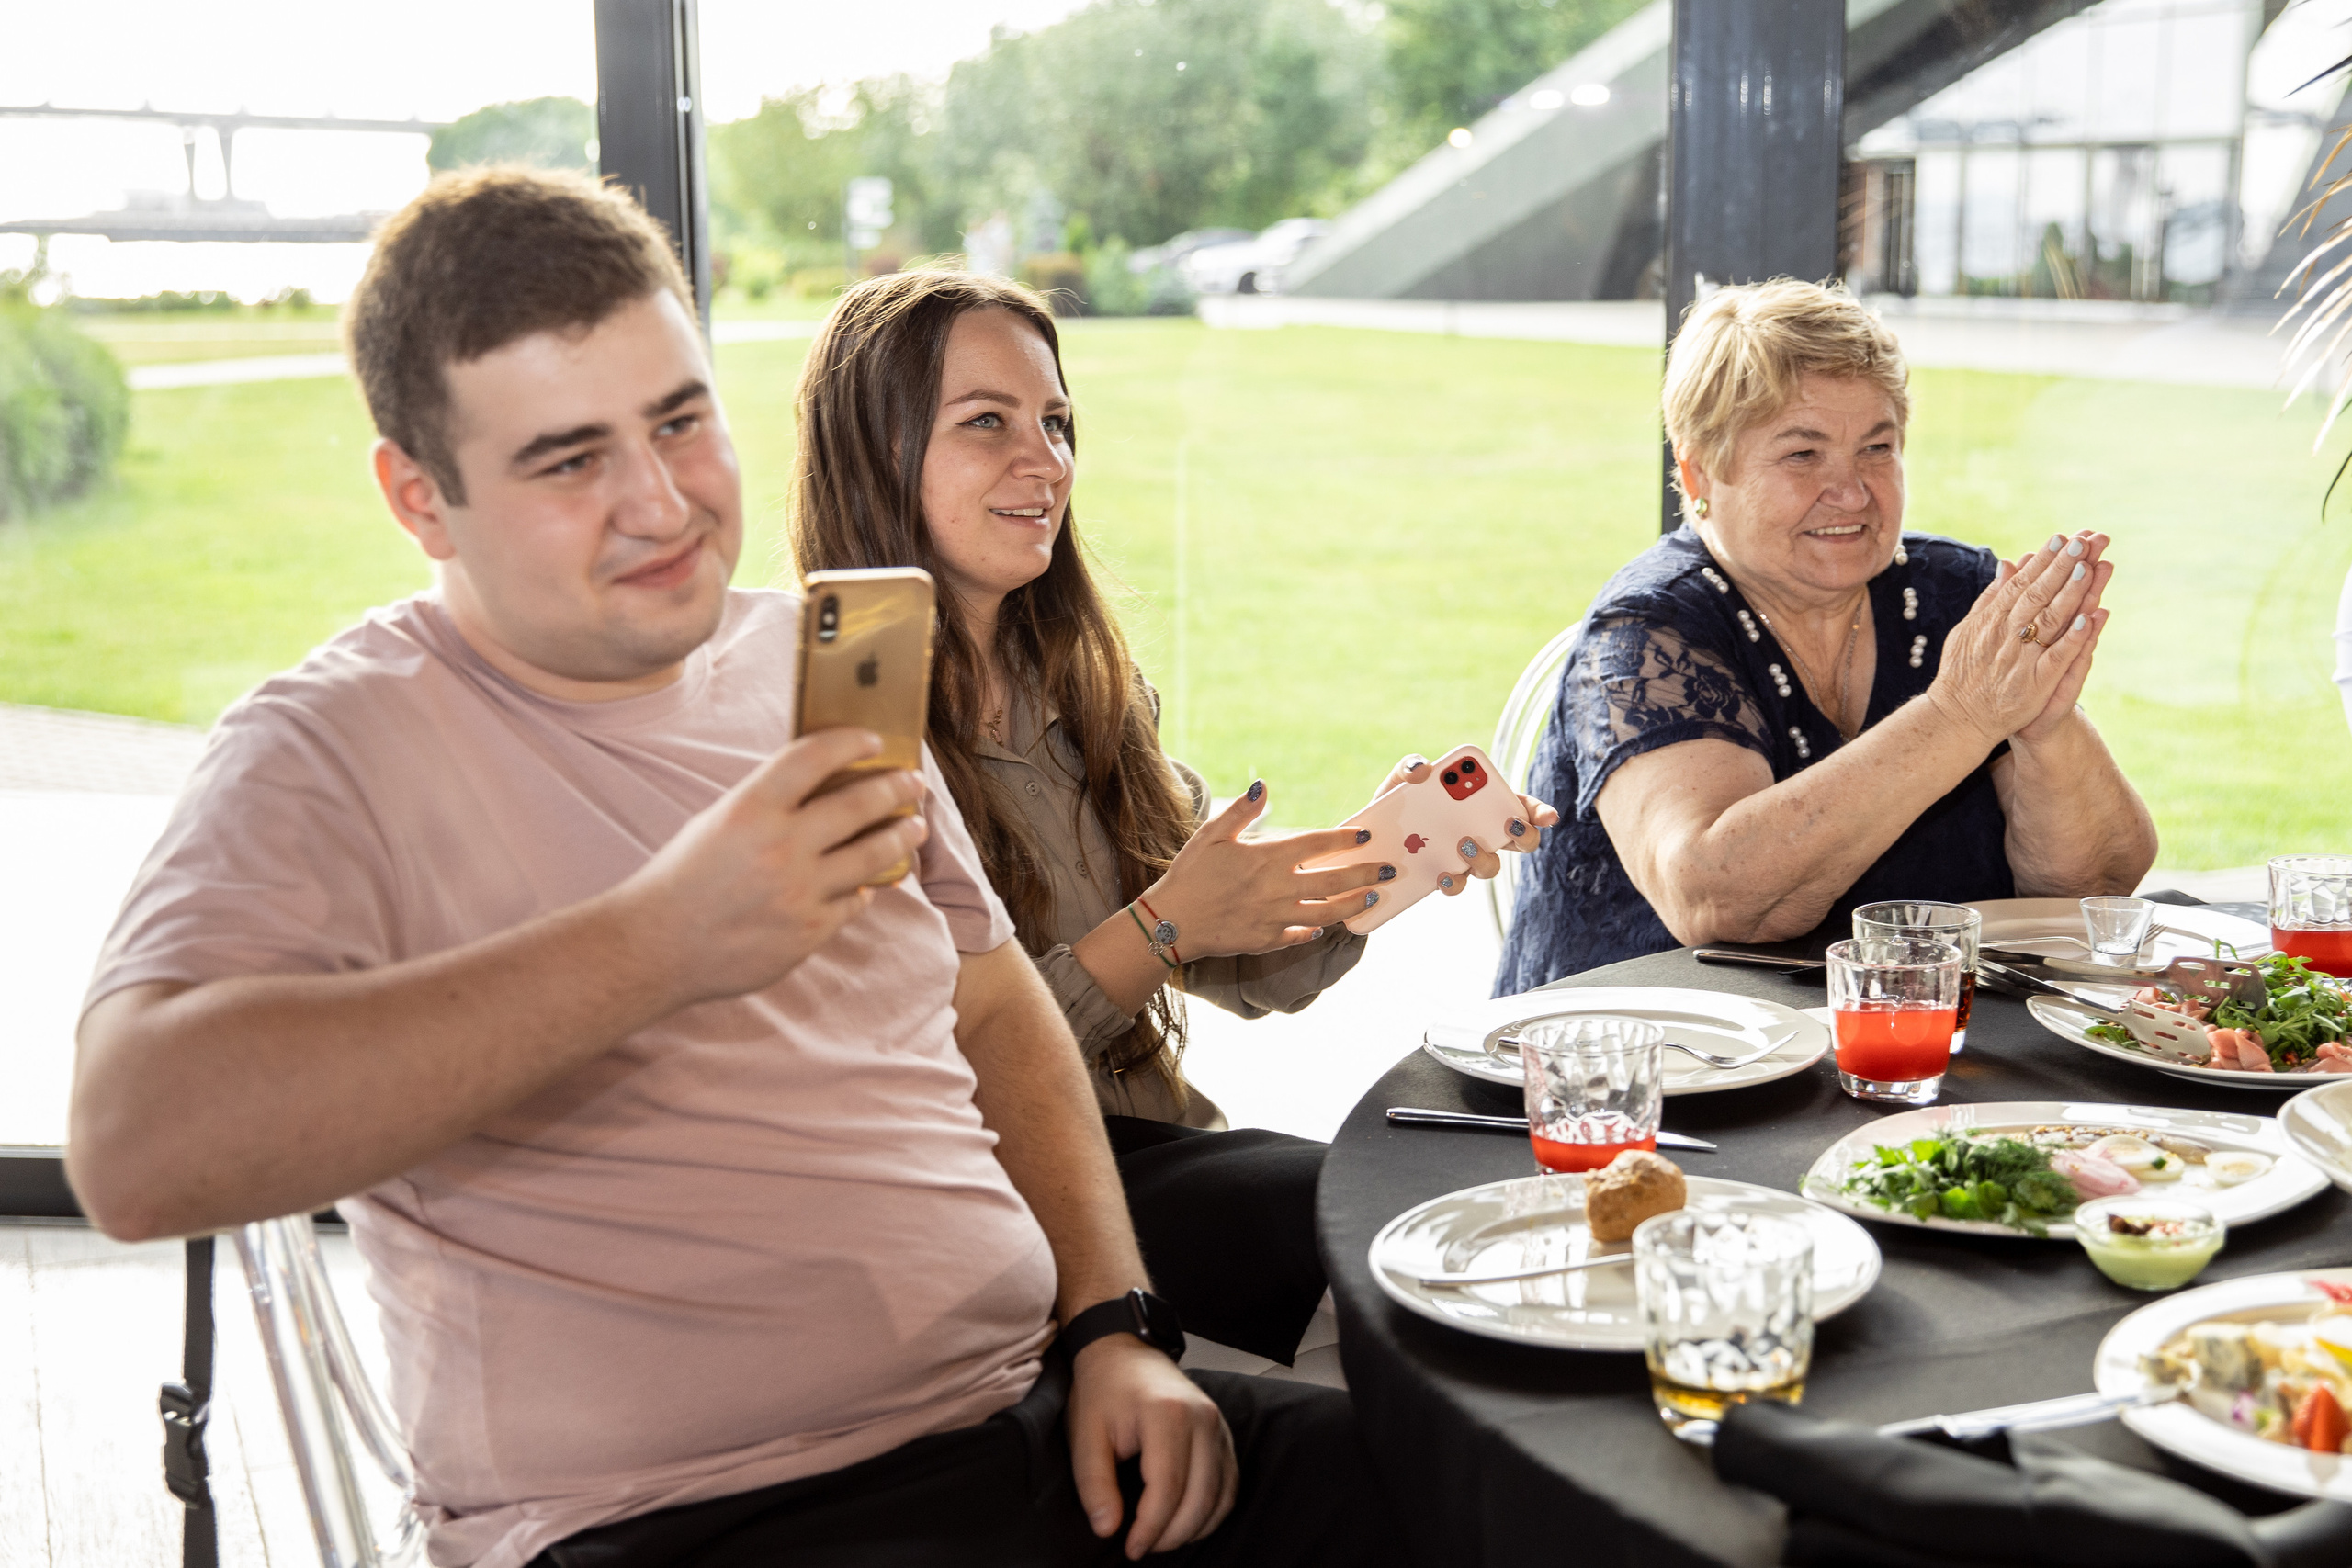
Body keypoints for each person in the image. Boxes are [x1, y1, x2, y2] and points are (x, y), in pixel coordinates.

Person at [65, 168, 1400, 1568]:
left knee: (1482, 1493)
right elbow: (133, 1151)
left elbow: (998, 1009)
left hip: (1023, 1415)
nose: (662, 503)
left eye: (680, 420)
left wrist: (1116, 1325)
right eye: (569, 458)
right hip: (691, 1516)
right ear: (422, 498)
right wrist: (660, 938)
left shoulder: (815, 657)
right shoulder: (334, 743)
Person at [788, 269, 1555, 1366]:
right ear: (875, 449)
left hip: (1156, 1158)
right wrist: (1162, 928)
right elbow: (920, 1065)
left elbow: (1256, 975)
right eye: (987, 423)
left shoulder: (1083, 684)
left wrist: (1385, 858)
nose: (1043, 460)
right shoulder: (837, 707)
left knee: (1446, 1202)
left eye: (1056, 423)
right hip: (995, 1196)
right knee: (1398, 1238)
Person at [1498, 278, 2158, 991]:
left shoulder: (1955, 597)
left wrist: (2044, 726)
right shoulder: (1646, 636)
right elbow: (1717, 897)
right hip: (1645, 1062)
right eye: (1803, 455)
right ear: (1699, 472)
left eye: (1877, 447)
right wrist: (1960, 716)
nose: (1852, 491)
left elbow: (2099, 887)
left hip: (1923, 1049)